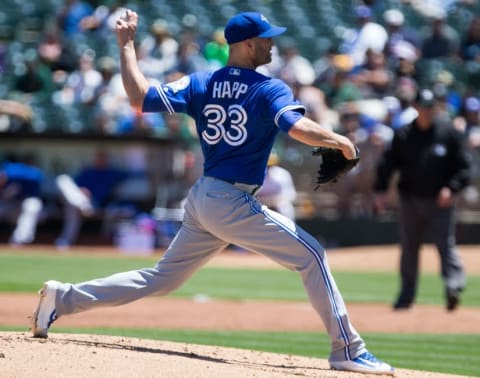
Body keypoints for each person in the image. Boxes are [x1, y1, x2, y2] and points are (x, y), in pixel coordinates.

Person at [30, 10, 394, 375]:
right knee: (312, 255)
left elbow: (140, 99)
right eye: (266, 38)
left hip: (204, 197)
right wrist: (341, 141)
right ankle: (348, 349)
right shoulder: (268, 88)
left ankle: (64, 297)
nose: (272, 44)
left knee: (162, 279)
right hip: (230, 201)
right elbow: (295, 126)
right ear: (248, 44)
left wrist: (126, 45)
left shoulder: (201, 82)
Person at [374, 88, 471, 312]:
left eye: (431, 107)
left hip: (440, 201)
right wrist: (380, 190)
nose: (428, 112)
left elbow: (464, 168)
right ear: (416, 108)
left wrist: (452, 187)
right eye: (423, 107)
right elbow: (388, 164)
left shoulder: (449, 133)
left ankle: (453, 287)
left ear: (436, 108)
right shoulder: (405, 135)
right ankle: (406, 296)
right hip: (410, 199)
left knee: (445, 245)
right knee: (409, 247)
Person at [54, 150, 128, 249]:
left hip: (95, 204)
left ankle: (65, 240)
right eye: (99, 157)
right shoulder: (87, 172)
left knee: (72, 209)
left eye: (103, 158)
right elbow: (74, 187)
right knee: (62, 179)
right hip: (80, 200)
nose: (100, 160)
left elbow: (129, 174)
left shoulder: (112, 172)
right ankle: (82, 206)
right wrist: (82, 191)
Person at [0, 156, 44, 246]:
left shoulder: (14, 172)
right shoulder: (6, 169)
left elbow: (38, 175)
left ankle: (18, 241)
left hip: (34, 209)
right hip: (11, 207)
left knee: (31, 206)